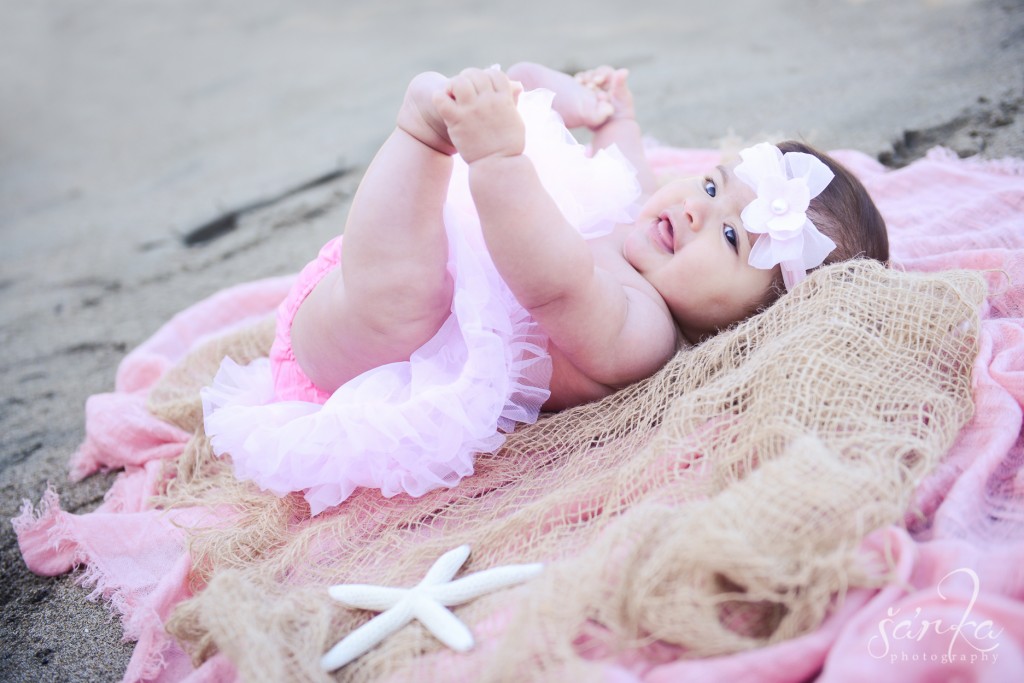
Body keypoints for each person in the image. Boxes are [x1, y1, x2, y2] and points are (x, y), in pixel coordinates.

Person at [201, 63, 889, 514]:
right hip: (377, 264)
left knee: (411, 300)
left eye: (733, 238)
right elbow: (629, 167)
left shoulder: (644, 332)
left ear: (750, 321)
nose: (695, 209)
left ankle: (421, 133)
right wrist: (608, 113)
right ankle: (438, 130)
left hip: (369, 358)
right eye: (712, 185)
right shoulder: (648, 227)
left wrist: (500, 158)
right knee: (422, 275)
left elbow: (552, 283)